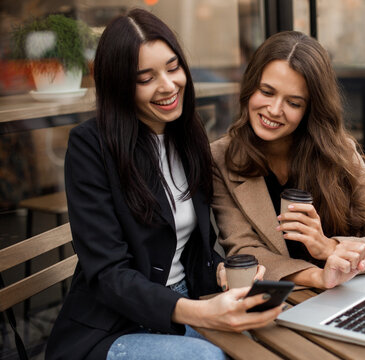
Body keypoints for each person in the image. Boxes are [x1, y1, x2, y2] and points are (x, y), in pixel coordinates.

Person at [45, 9, 284, 360]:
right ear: (120, 85)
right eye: (146, 78)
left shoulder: (187, 136)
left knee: (269, 339)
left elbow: (192, 250)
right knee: (207, 358)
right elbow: (110, 275)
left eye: (173, 68)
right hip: (114, 325)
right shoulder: (90, 146)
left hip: (185, 301)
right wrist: (200, 312)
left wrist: (220, 271)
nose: (169, 85)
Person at [211, 31, 365, 290]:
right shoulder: (221, 158)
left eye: (293, 102)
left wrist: (330, 247)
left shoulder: (339, 152)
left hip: (350, 296)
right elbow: (245, 252)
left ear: (310, 109)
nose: (275, 110)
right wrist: (319, 277)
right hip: (282, 304)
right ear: (250, 87)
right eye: (267, 92)